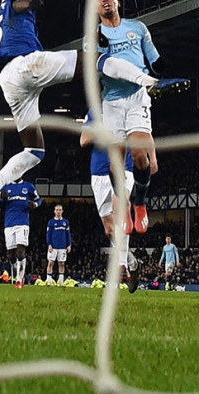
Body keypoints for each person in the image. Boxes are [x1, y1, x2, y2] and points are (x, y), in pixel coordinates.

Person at [0, 0, 168, 223]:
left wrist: (4, 36)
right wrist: (32, 3)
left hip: (8, 80)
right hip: (27, 64)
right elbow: (19, 4)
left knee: (34, 150)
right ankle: (149, 81)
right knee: (95, 59)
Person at [96, 0, 189, 234]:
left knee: (139, 154)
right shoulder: (93, 36)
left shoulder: (137, 28)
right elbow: (100, 66)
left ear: (117, 2)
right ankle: (123, 204)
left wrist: (166, 73)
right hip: (112, 102)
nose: (105, 0)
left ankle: (139, 202)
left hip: (137, 96)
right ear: (96, 8)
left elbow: (154, 59)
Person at [80, 118, 141, 293]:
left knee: (121, 209)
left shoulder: (127, 109)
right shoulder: (94, 112)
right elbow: (83, 140)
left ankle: (121, 265)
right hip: (99, 171)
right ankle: (132, 263)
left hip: (124, 167)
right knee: (109, 230)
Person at [2, 179, 41, 289]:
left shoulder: (28, 186)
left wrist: (35, 204)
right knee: (11, 254)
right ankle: (17, 268)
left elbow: (39, 200)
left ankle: (19, 279)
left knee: (20, 251)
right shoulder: (6, 187)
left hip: (22, 223)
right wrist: (1, 197)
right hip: (9, 224)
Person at [45, 205, 72, 285]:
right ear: (54, 211)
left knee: (62, 263)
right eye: (57, 210)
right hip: (53, 247)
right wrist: (49, 244)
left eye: (60, 210)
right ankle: (49, 282)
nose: (58, 211)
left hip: (62, 247)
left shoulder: (65, 222)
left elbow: (68, 234)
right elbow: (48, 234)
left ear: (62, 211)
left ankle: (61, 282)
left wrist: (69, 245)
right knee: (50, 263)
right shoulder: (51, 222)